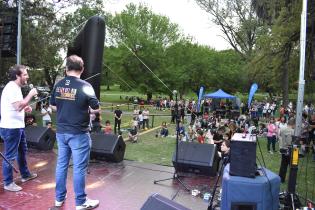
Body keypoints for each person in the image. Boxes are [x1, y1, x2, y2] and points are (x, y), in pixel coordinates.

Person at [50, 55, 100, 209]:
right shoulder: (85, 85)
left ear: (66, 69)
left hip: (61, 132)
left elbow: (53, 106)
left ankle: (58, 199)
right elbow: (96, 108)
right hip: (78, 133)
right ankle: (80, 202)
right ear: (82, 69)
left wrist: (66, 106)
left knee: (61, 165)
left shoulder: (58, 85)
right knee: (79, 167)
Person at [0, 64, 38, 192]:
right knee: (10, 155)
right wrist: (31, 95)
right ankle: (8, 182)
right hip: (11, 128)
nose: (27, 77)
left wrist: (25, 107)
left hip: (17, 127)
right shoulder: (12, 88)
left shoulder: (15, 88)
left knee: (22, 151)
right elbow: (17, 106)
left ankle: (25, 175)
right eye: (25, 74)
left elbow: (18, 106)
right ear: (18, 76)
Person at [278, 119, 295, 183]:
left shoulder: (282, 129)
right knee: (292, 166)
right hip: (290, 149)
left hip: (283, 148)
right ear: (293, 124)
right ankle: (292, 180)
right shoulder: (293, 131)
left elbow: (279, 137)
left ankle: (281, 179)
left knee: (283, 165)